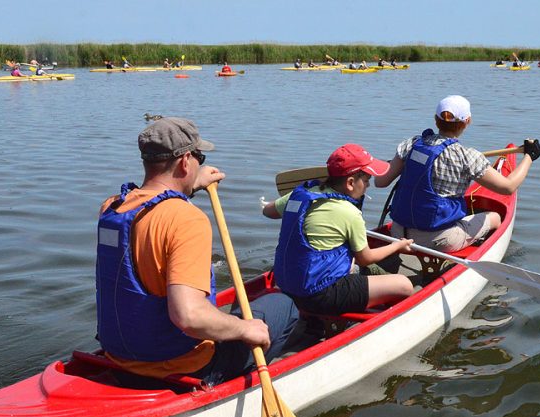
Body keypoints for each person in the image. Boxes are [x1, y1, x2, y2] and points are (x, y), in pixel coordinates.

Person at [96, 117, 298, 387]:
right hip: (184, 366)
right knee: (283, 305)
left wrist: (191, 184)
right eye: (199, 158)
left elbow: (154, 207)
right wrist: (245, 329)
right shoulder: (187, 220)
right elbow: (188, 316)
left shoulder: (112, 207)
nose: (200, 164)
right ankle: (247, 378)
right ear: (185, 161)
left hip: (120, 357)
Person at [374, 95, 540, 252]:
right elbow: (508, 187)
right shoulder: (467, 156)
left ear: (435, 120)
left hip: (398, 234)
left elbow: (379, 182)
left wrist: (401, 164)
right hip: (439, 241)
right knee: (495, 217)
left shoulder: (411, 144)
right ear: (467, 121)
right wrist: (529, 156)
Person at [262, 144, 415, 316]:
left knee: (347, 261)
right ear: (350, 183)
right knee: (404, 285)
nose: (368, 186)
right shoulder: (350, 212)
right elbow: (366, 258)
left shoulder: (299, 195)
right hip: (320, 295)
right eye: (365, 180)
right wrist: (397, 246)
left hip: (286, 286)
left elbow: (267, 211)